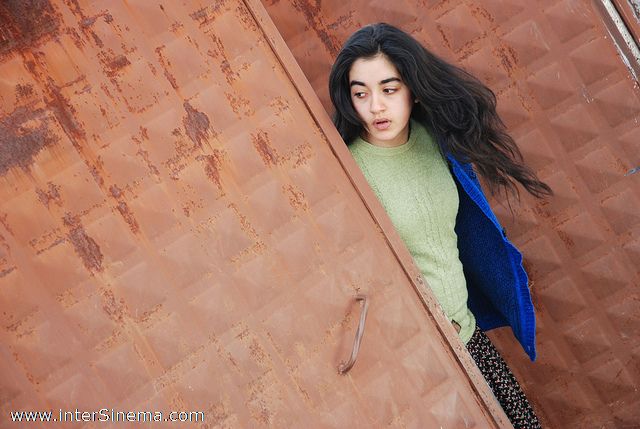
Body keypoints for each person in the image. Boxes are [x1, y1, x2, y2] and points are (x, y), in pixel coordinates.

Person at [328, 23, 552, 428]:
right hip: (419, 356)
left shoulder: (436, 141)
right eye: (361, 93)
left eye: (389, 89)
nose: (375, 106)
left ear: (413, 88)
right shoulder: (351, 169)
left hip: (469, 337)